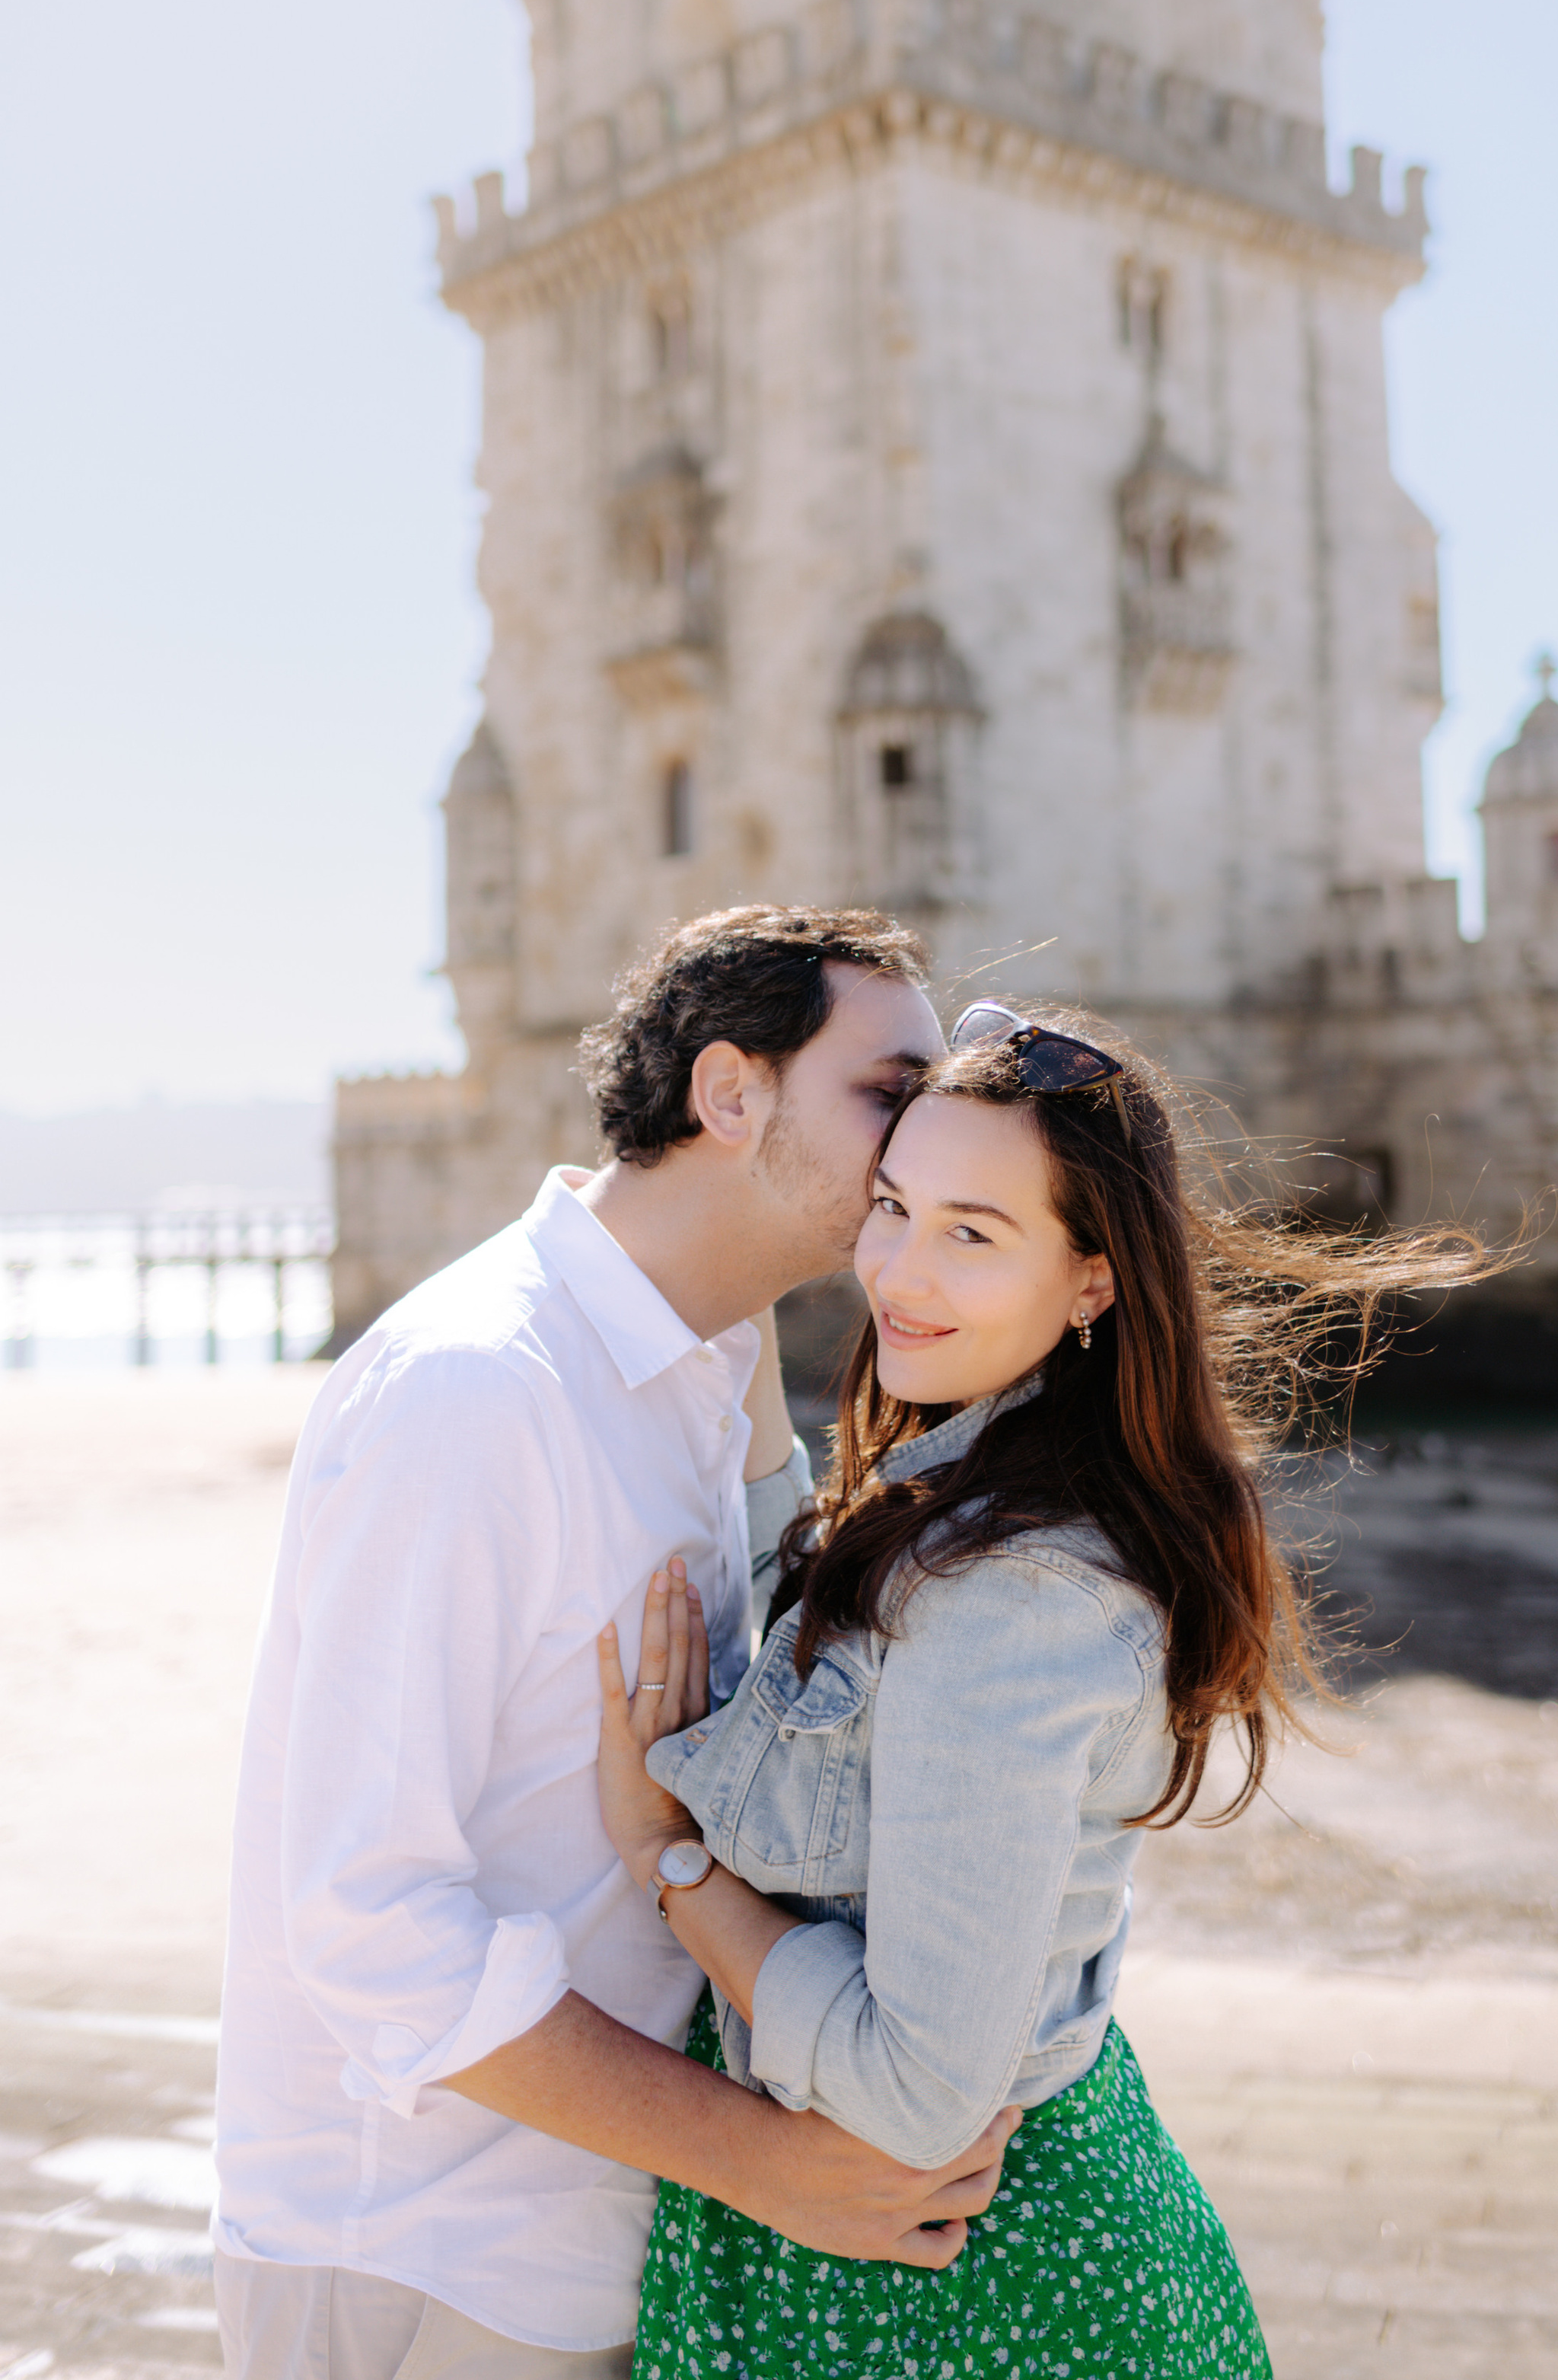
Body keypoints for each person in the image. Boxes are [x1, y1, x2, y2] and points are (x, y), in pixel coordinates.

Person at [596, 1002, 1486, 2378]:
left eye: (974, 1231)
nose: (899, 1269)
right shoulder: (981, 1490)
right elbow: (832, 1664)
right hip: (940, 2246)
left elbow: (917, 2093)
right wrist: (740, 1311)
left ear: (1091, 1281)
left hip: (972, 2288)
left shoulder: (1008, 1596)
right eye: (894, 1206)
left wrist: (670, 1861)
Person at [212, 906, 1027, 2380]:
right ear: (730, 1094)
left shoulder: (699, 1366)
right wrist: (764, 2163)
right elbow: (364, 1922)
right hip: (420, 2246)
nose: (925, 1143)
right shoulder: (476, 1389)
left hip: (596, 2236)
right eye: (888, 1093)